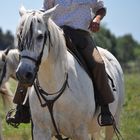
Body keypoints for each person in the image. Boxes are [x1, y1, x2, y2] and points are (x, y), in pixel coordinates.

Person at [6, 0, 114, 127]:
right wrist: (30, 16)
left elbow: (101, 8)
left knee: (98, 63)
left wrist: (97, 19)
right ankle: (21, 108)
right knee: (29, 61)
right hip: (56, 35)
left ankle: (105, 108)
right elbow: (44, 10)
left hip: (81, 36)